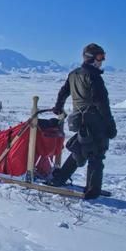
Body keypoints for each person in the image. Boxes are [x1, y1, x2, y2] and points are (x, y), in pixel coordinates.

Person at [48, 43, 117, 199]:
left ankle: (59, 179)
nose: (102, 61)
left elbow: (63, 92)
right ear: (91, 58)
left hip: (79, 120)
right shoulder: (94, 77)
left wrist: (58, 107)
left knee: (79, 149)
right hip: (95, 121)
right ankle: (92, 192)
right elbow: (102, 104)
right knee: (96, 155)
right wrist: (110, 125)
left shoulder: (74, 74)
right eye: (100, 57)